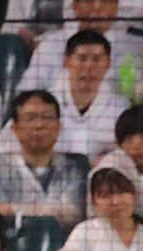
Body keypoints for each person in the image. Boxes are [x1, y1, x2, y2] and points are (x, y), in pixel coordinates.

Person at [0, 90, 87, 232]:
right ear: (15, 129)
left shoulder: (74, 167)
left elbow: (74, 214)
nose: (39, 125)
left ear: (58, 127)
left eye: (47, 117)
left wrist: (12, 209)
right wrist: (54, 211)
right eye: (30, 118)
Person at [19, 0, 143, 101]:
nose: (97, 7)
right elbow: (28, 91)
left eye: (105, 1)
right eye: (89, 1)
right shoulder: (51, 45)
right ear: (75, 7)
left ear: (116, 7)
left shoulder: (137, 46)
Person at [49, 30, 131, 161]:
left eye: (97, 59)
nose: (89, 66)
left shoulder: (121, 107)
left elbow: (130, 152)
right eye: (82, 58)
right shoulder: (43, 103)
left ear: (108, 64)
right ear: (67, 62)